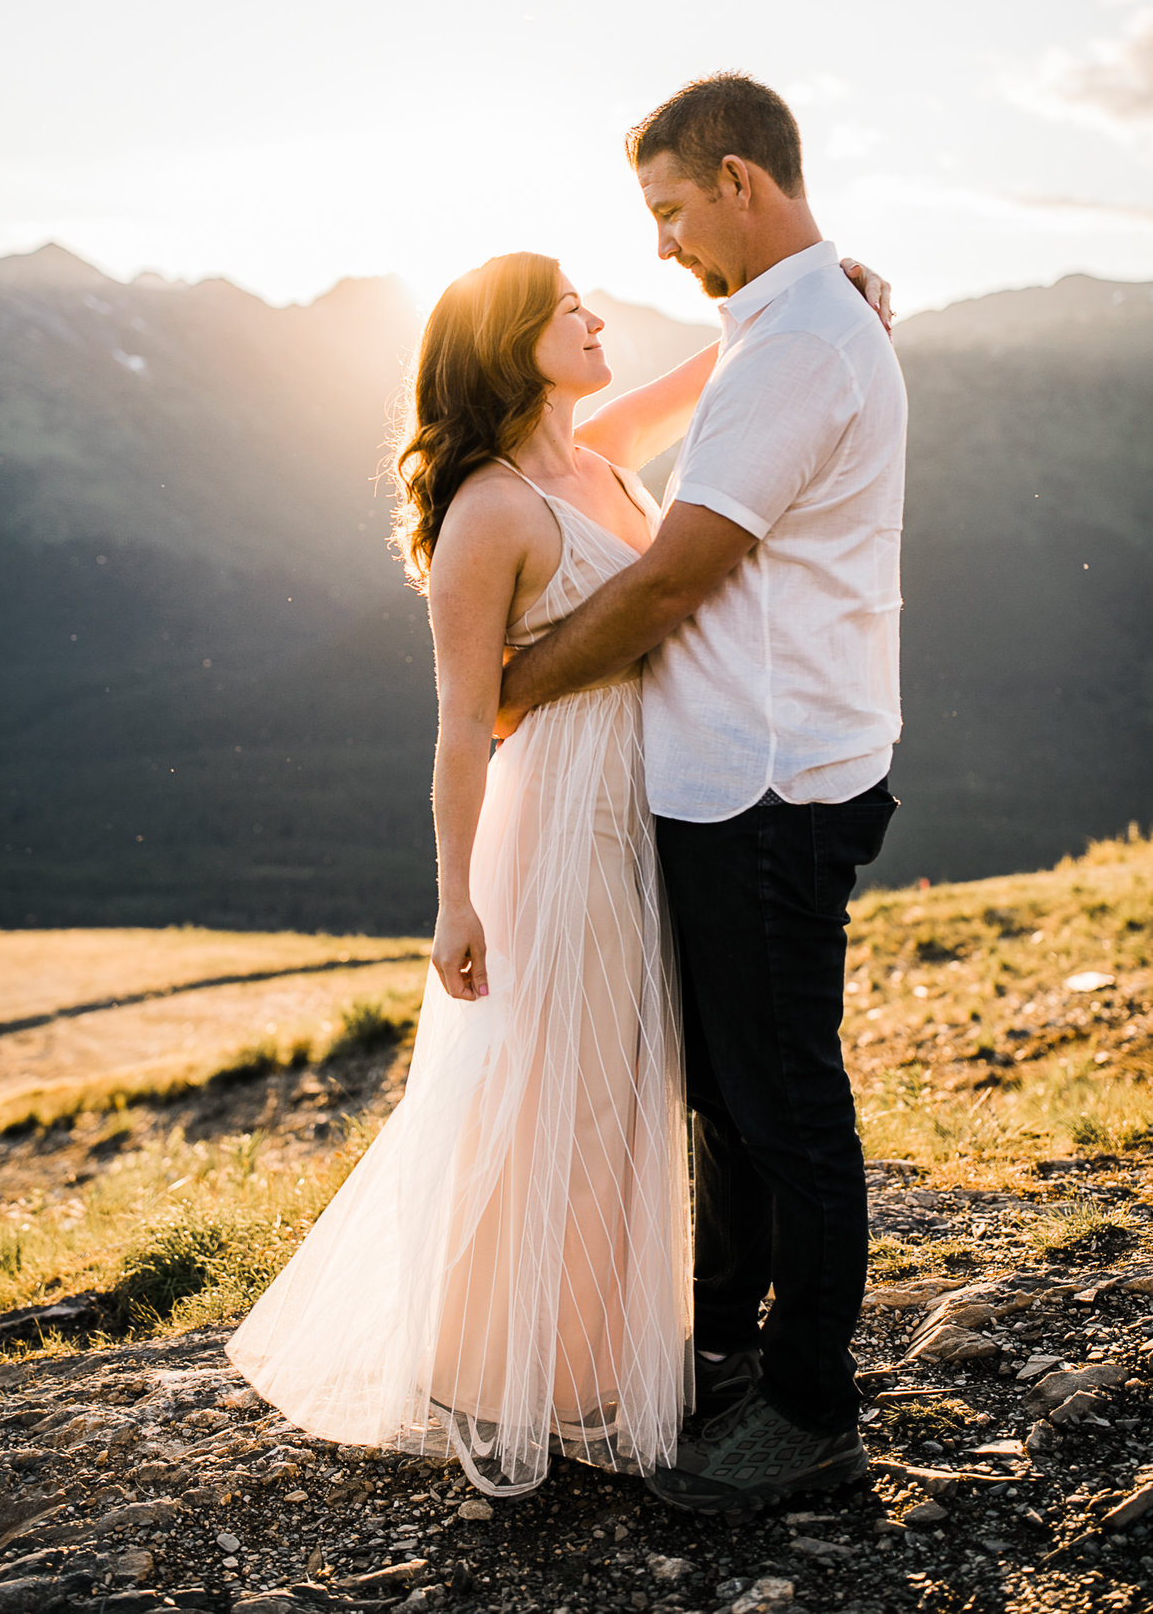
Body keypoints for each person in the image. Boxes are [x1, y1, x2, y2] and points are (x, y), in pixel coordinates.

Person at [228, 78, 894, 1502]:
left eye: (656, 225)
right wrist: (455, 893)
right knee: (561, 1087)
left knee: (641, 1086)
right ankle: (514, 1355)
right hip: (569, 819)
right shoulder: (489, 508)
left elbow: (722, 384)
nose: (610, 303)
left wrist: (820, 281)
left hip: (661, 805)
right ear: (509, 346)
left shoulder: (593, 453)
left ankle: (635, 1347)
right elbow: (464, 722)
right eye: (572, 304)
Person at [499, 74, 907, 1515]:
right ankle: (726, 1347)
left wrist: (518, 687)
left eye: (671, 209)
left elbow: (678, 570)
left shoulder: (800, 344)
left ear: (741, 180)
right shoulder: (782, 324)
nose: (661, 245)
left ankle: (807, 1411)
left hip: (774, 780)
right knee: (731, 1090)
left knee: (785, 1093)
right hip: (739, 772)